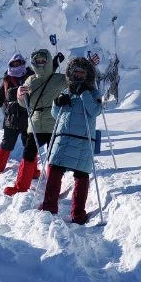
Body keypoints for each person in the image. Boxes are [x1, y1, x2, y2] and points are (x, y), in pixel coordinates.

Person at [38, 55, 101, 224]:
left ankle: (78, 214)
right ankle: (49, 207)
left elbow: (95, 111)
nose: (79, 76)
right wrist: (57, 103)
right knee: (54, 170)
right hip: (64, 138)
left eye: (82, 73)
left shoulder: (94, 92)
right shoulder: (67, 92)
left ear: (88, 75)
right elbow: (56, 115)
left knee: (81, 176)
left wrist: (85, 94)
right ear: (70, 74)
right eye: (76, 73)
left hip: (83, 140)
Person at [5, 47, 66, 196]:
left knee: (53, 158)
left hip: (54, 123)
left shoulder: (60, 78)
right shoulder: (30, 80)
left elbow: (77, 83)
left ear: (48, 61)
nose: (39, 63)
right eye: (37, 61)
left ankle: (53, 189)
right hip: (35, 124)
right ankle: (20, 187)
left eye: (42, 60)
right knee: (28, 154)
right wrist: (20, 95)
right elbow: (24, 103)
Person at [0, 53, 34, 185]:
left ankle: (33, 171)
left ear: (23, 63)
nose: (17, 66)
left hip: (29, 119)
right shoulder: (7, 80)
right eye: (14, 64)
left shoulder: (32, 77)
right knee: (5, 146)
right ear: (10, 65)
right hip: (11, 120)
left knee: (29, 147)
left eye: (19, 63)